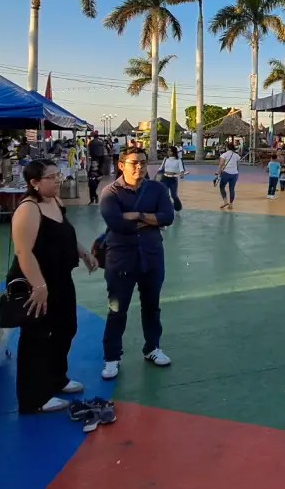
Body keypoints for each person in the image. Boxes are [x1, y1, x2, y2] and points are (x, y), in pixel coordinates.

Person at [10, 160, 99, 413]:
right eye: (51, 177)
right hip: (36, 282)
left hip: (61, 278)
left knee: (65, 328)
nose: (58, 180)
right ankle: (33, 397)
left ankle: (56, 379)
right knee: (37, 338)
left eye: (58, 175)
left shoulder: (55, 202)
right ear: (34, 183)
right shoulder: (28, 209)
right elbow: (23, 251)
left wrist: (83, 254)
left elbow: (65, 234)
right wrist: (38, 286)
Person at [99, 146, 176, 380]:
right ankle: (112, 357)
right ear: (121, 165)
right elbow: (116, 223)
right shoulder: (110, 192)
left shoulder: (157, 189)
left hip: (152, 256)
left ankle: (152, 348)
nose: (140, 167)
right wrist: (151, 219)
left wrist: (137, 215)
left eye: (143, 163)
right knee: (117, 309)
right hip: (121, 259)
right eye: (134, 163)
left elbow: (168, 217)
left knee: (152, 306)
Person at [158, 147, 185, 212]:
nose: (168, 152)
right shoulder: (165, 159)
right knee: (165, 194)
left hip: (173, 179)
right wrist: (157, 174)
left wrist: (182, 174)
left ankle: (178, 207)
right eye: (168, 151)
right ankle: (167, 207)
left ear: (173, 152)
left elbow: (181, 169)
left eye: (170, 151)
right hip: (165, 178)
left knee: (174, 195)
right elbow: (161, 167)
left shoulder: (178, 160)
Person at [216, 143, 241, 210]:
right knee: (232, 189)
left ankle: (225, 202)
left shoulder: (224, 155)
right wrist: (236, 172)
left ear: (227, 148)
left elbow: (221, 164)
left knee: (222, 187)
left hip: (226, 173)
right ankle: (231, 204)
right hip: (235, 174)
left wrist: (218, 171)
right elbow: (238, 165)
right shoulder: (237, 155)